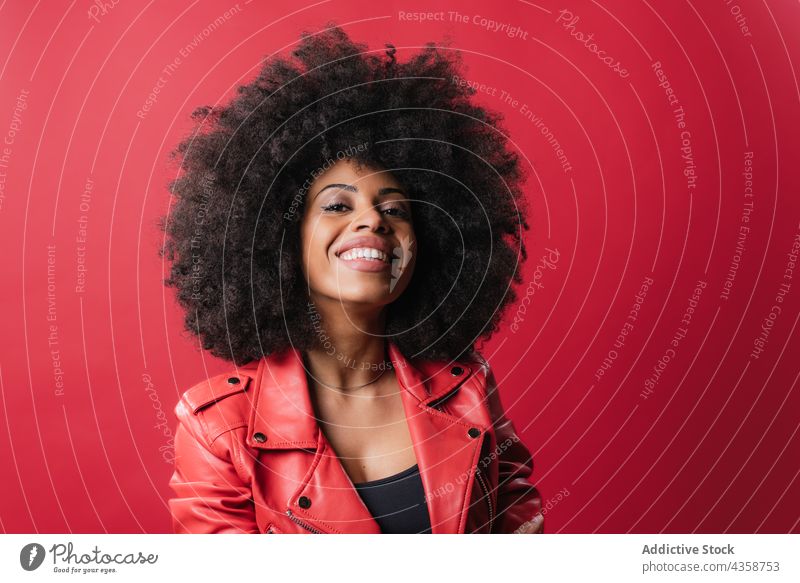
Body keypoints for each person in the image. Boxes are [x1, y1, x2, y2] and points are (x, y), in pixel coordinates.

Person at [162, 23, 544, 534]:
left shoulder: (467, 386)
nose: (373, 221)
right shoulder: (217, 428)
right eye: (339, 204)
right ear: (278, 236)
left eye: (395, 210)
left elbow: (520, 527)